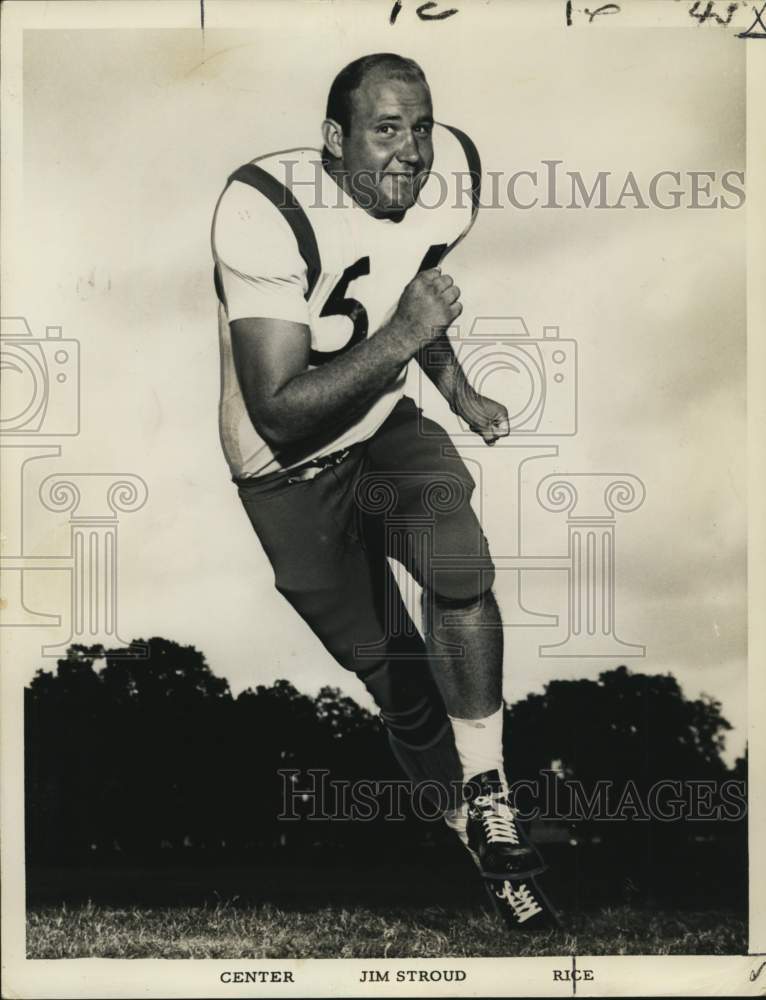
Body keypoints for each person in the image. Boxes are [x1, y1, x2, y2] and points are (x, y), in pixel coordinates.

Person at [211, 53, 549, 907]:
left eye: (422, 126)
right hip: (286, 468)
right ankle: (473, 841)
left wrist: (462, 393)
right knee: (397, 678)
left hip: (383, 427)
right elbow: (280, 408)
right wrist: (406, 336)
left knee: (461, 568)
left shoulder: (447, 179)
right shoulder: (265, 207)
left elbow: (409, 289)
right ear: (333, 139)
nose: (412, 151)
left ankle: (490, 793)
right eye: (385, 129)